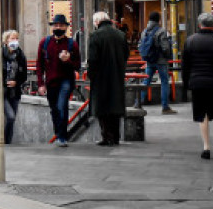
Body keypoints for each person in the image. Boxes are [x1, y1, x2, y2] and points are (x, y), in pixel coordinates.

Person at [181, 12, 213, 160]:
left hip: (197, 82)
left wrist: (186, 82)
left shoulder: (190, 41)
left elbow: (185, 66)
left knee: (202, 114)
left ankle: (206, 147)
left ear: (200, 24)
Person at [36, 14, 81, 147]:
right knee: (54, 109)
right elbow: (39, 65)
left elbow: (78, 65)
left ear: (66, 27)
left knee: (62, 106)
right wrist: (40, 84)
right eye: (56, 25)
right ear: (52, 27)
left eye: (61, 25)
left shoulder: (72, 44)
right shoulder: (44, 43)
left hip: (66, 80)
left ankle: (62, 136)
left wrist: (68, 61)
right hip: (51, 81)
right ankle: (58, 133)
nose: (58, 27)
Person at [87, 11, 129, 146]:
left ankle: (107, 136)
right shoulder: (121, 35)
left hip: (100, 78)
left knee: (102, 108)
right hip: (117, 75)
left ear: (96, 22)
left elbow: (92, 59)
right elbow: (126, 54)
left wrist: (91, 74)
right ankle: (116, 137)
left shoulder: (95, 36)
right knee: (115, 106)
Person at [136, 12, 177, 114]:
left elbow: (140, 45)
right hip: (161, 61)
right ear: (158, 20)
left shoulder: (145, 31)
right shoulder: (161, 31)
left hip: (150, 60)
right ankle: (165, 107)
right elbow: (165, 47)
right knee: (164, 82)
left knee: (146, 82)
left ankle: (138, 103)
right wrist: (167, 56)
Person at [1, 29, 28, 143]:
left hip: (15, 91)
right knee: (10, 117)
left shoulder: (20, 55)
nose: (15, 41)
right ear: (6, 41)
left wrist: (16, 82)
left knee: (11, 119)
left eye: (16, 38)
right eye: (12, 38)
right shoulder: (0, 54)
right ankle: (4, 141)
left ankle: (8, 142)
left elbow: (24, 74)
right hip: (2, 91)